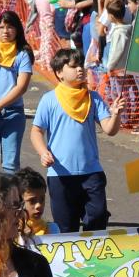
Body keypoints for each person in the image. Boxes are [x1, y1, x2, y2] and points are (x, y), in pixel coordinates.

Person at [29, 48, 125, 233]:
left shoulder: (94, 98)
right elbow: (36, 131)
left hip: (91, 171)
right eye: (73, 66)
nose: (80, 69)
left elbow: (109, 129)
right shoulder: (49, 100)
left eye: (81, 65)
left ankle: (96, 257)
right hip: (60, 174)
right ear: (59, 73)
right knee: (66, 227)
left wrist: (115, 115)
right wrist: (43, 152)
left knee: (97, 218)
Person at [0, 11, 34, 174]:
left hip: (13, 114)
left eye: (10, 27)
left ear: (17, 30)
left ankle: (10, 199)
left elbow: (21, 87)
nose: (5, 31)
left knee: (11, 165)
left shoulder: (22, 54)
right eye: (1, 27)